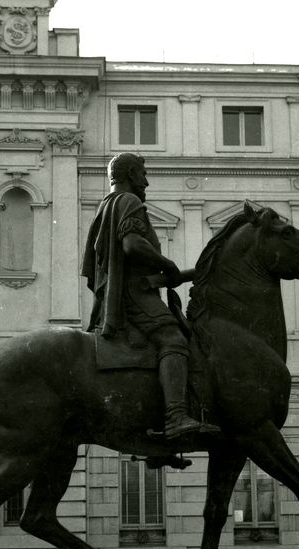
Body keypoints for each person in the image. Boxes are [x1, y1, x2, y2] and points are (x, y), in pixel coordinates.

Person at [82, 153, 208, 440]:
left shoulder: (106, 205)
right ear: (128, 174)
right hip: (134, 293)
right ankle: (175, 415)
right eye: (142, 173)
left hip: (125, 290)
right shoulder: (129, 201)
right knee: (173, 339)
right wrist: (168, 264)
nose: (146, 181)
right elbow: (133, 244)